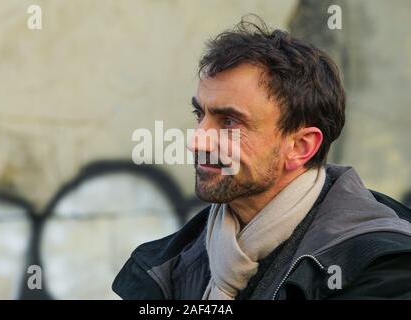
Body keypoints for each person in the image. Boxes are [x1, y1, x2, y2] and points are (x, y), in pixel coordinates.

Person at [112, 16, 411, 300]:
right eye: (199, 114)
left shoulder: (382, 268)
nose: (196, 141)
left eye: (229, 122)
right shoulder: (172, 262)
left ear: (300, 146)